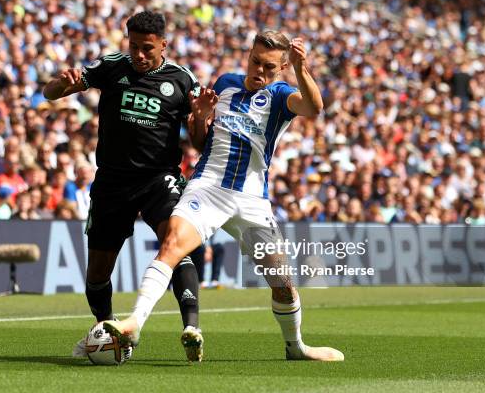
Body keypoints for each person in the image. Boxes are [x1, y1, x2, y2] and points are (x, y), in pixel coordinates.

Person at [104, 31, 344, 362]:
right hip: (208, 186)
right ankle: (134, 321)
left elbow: (314, 108)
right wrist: (201, 116)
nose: (259, 70)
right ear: (248, 54)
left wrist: (303, 70)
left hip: (251, 199)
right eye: (255, 61)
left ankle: (296, 346)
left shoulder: (281, 95)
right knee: (172, 244)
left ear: (284, 67)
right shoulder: (226, 83)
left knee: (283, 283)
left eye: (270, 67)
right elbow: (200, 142)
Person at [43, 11, 211, 361]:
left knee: (174, 243)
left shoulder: (182, 80)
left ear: (163, 44)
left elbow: (197, 142)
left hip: (157, 179)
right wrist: (63, 84)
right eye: (133, 46)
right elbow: (50, 93)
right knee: (97, 274)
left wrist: (200, 117)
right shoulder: (111, 66)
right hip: (112, 182)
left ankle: (191, 327)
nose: (139, 54)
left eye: (147, 48)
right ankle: (110, 331)